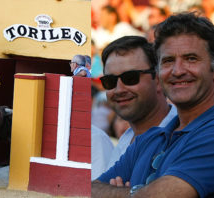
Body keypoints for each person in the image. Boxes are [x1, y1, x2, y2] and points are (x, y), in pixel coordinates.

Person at [92, 12, 214, 198]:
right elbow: (88, 190)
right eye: (168, 61)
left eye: (191, 58)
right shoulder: (150, 138)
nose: (178, 71)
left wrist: (122, 192)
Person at [97, 35, 177, 172]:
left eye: (130, 78)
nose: (119, 89)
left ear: (158, 79)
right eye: (110, 81)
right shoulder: (125, 140)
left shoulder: (186, 133)